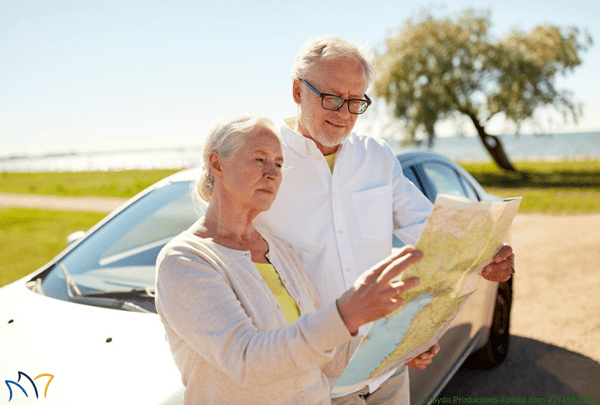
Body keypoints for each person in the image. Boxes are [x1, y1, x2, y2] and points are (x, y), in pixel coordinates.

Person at [254, 35, 515, 405]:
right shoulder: (262, 161)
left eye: (356, 101)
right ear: (298, 90)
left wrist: (487, 254)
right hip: (309, 383)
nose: (344, 113)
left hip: (384, 373)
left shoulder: (375, 157)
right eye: (331, 97)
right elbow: (227, 251)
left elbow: (430, 231)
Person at [155, 113, 427, 405]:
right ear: (217, 164)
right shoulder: (186, 260)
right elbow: (247, 361)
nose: (272, 173)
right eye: (259, 159)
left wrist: (399, 346)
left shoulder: (279, 251)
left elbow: (326, 356)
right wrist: (345, 315)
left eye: (279, 163)